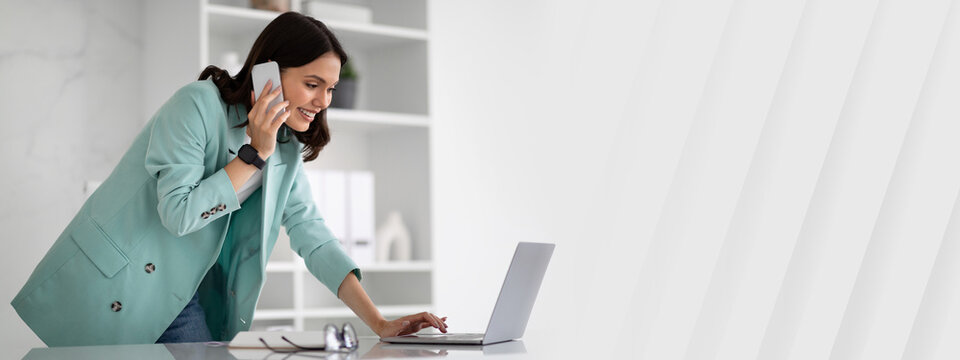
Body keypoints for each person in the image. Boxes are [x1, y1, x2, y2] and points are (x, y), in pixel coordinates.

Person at [10, 12, 447, 346]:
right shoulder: (197, 106)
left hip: (184, 298)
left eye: (330, 88)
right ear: (270, 73)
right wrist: (253, 154)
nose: (323, 100)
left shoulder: (287, 148)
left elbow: (312, 237)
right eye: (313, 84)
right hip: (117, 284)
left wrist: (379, 323)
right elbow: (178, 213)